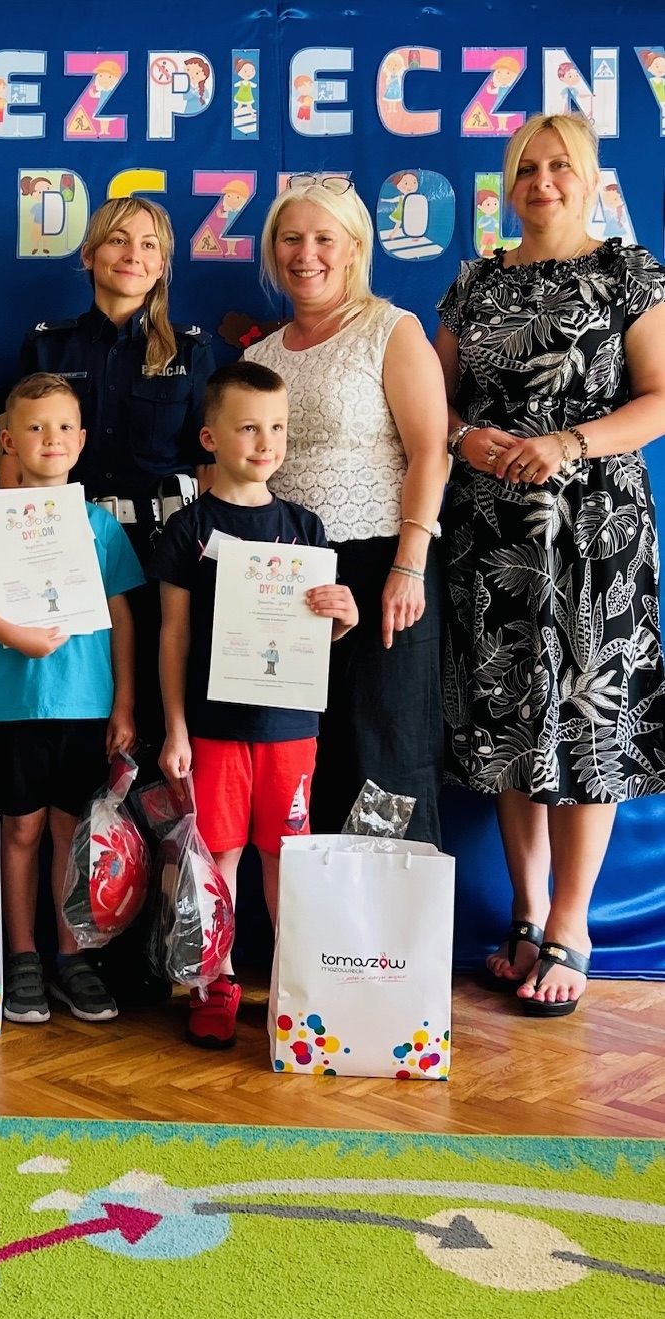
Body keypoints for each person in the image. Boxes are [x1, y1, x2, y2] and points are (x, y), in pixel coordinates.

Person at [434, 113, 665, 1017]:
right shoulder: (475, 283)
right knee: (508, 718)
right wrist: (465, 439)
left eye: (561, 166)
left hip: (595, 531)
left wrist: (567, 442)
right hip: (490, 531)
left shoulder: (629, 274)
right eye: (526, 167)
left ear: (593, 177)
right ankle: (526, 916)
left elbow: (660, 398)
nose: (542, 182)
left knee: (584, 718)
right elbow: (433, 406)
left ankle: (574, 925)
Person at [0, 373, 145, 1024]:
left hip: (89, 705)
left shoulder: (101, 525)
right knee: (21, 829)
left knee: (71, 833)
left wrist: (125, 705)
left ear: (81, 439)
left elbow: (124, 618)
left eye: (63, 427)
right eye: (35, 427)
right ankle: (22, 956)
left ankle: (71, 958)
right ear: (9, 442)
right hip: (19, 705)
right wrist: (11, 634)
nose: (51, 438)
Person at [152, 362, 357, 1048]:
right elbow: (173, 635)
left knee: (285, 858)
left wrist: (345, 618)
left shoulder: (304, 526)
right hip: (213, 729)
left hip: (291, 729)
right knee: (218, 858)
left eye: (278, 427)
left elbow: (317, 634)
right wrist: (175, 729)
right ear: (210, 437)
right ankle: (215, 980)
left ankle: (295, 984)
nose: (266, 442)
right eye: (248, 428)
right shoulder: (188, 530)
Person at [244, 175, 447, 845]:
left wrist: (409, 566)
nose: (306, 254)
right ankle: (311, 912)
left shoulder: (391, 330)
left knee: (386, 751)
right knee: (303, 758)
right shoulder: (258, 357)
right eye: (290, 239)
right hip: (288, 577)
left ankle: (392, 912)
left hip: (384, 565)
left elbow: (431, 451)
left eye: (324, 239)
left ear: (355, 247)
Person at [15, 197, 215, 757]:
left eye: (149, 245)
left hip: (162, 548)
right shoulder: (47, 345)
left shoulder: (191, 350)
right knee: (77, 706)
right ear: (89, 254)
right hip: (66, 545)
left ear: (162, 265)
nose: (133, 255)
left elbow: (209, 464)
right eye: (118, 240)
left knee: (158, 701)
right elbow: (19, 455)